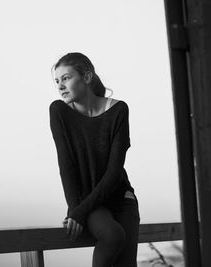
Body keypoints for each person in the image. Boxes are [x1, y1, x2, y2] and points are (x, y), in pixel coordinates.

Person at [49, 52, 140, 267]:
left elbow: (114, 172)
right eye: (57, 81)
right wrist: (76, 211)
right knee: (113, 236)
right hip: (87, 202)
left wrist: (77, 213)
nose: (60, 86)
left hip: (121, 198)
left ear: (87, 77)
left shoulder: (118, 110)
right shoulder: (59, 111)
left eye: (66, 78)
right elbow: (66, 166)